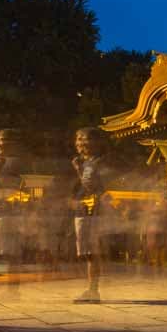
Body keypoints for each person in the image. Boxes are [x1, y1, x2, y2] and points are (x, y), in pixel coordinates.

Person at [72, 127, 105, 302]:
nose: (79, 143)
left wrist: (78, 170)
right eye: (77, 139)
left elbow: (94, 187)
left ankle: (93, 290)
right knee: (87, 252)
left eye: (84, 139)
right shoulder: (84, 162)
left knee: (92, 251)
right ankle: (91, 288)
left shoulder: (99, 163)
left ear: (96, 142)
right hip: (83, 210)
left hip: (94, 211)